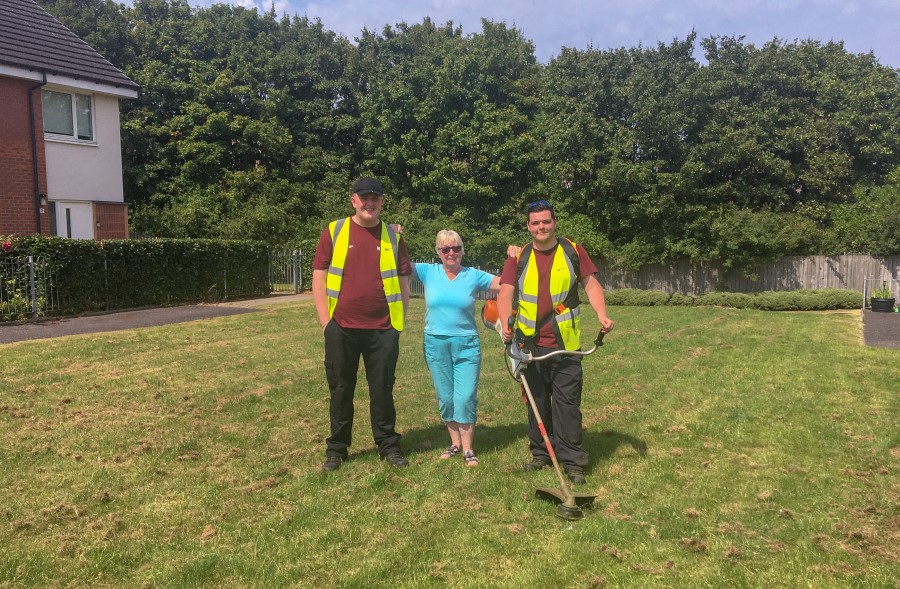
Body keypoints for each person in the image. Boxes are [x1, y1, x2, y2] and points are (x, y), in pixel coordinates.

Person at [497, 199, 614, 484]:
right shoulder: (519, 257)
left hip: (565, 344)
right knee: (535, 402)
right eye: (535, 223)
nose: (541, 227)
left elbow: (590, 283)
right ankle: (540, 454)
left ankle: (573, 460)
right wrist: (505, 324)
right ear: (528, 226)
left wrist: (602, 314)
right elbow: (505, 292)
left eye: (546, 221)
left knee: (567, 403)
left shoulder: (572, 251)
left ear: (554, 223)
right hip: (529, 344)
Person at [311, 177, 411, 471]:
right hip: (340, 327)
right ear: (353, 200)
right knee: (341, 388)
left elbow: (404, 281)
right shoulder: (335, 230)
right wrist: (325, 322)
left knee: (382, 388)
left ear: (381, 202)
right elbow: (319, 273)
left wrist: (397, 323)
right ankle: (337, 449)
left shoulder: (394, 237)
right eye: (364, 197)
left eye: (375, 198)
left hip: (383, 329)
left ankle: (388, 446)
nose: (370, 202)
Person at [413, 230, 501, 467]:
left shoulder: (473, 276)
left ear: (462, 250)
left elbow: (504, 284)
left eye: (456, 248)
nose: (451, 253)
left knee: (465, 396)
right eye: (445, 249)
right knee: (446, 396)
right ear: (438, 253)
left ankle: (468, 448)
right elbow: (397, 263)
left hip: (466, 344)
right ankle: (455, 444)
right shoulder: (427, 271)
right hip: (435, 342)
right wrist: (393, 238)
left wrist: (516, 258)